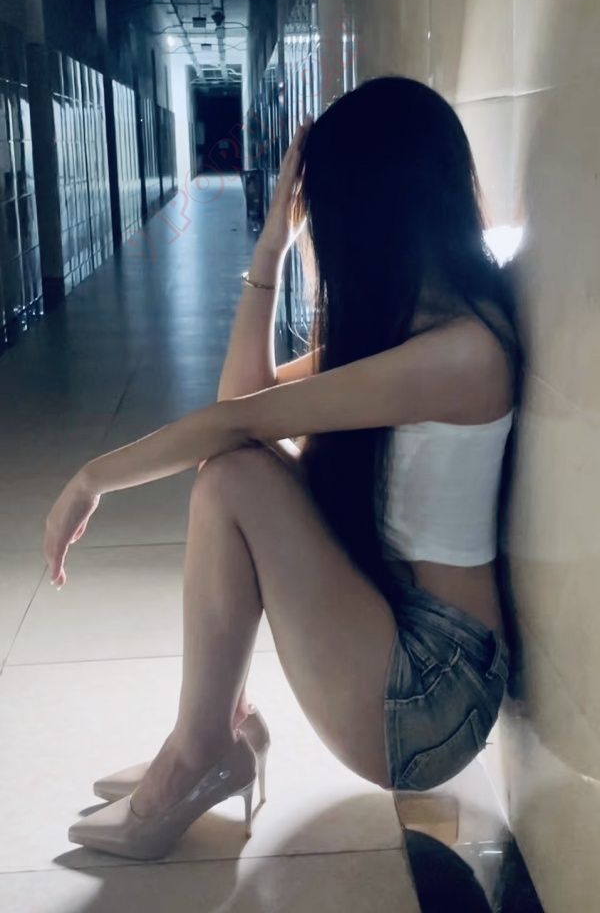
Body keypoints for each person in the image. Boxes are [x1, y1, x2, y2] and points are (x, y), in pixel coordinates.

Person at [43, 75, 522, 862]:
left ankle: (200, 753)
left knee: (235, 478)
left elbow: (237, 421)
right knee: (234, 472)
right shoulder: (419, 328)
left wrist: (90, 478)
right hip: (400, 638)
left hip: (434, 697)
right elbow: (245, 404)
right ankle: (208, 738)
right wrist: (270, 247)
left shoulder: (461, 354)